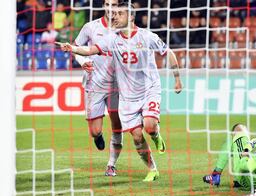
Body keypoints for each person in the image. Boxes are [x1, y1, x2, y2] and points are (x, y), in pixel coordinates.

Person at [57, 2, 183, 182]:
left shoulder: (146, 37)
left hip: (149, 89)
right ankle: (152, 169)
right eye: (113, 13)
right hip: (127, 96)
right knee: (137, 136)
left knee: (149, 126)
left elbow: (168, 52)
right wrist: (74, 48)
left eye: (119, 13)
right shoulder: (112, 39)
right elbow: (91, 49)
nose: (114, 16)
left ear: (131, 17)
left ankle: (155, 135)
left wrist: (177, 78)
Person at [71, 0, 123, 177]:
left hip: (117, 85)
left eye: (114, 4)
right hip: (94, 84)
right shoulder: (90, 27)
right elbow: (75, 48)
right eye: (107, 3)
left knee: (117, 124)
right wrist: (83, 61)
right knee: (95, 131)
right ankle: (98, 136)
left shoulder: (124, 27)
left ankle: (111, 165)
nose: (110, 7)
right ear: (103, 5)